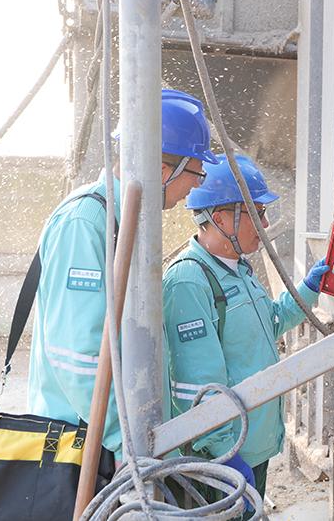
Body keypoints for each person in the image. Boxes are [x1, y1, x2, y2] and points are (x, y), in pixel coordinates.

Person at [27, 89, 219, 462]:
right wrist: (129, 443)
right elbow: (77, 358)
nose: (198, 185)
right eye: (197, 172)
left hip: (113, 444)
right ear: (162, 171)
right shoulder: (87, 223)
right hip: (83, 449)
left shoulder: (125, 221)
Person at [162, 154, 329, 500]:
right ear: (220, 217)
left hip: (251, 449)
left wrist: (309, 288)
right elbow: (197, 386)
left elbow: (272, 322)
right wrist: (227, 455)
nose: (265, 224)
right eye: (255, 213)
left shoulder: (238, 269)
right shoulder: (190, 281)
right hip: (219, 462)